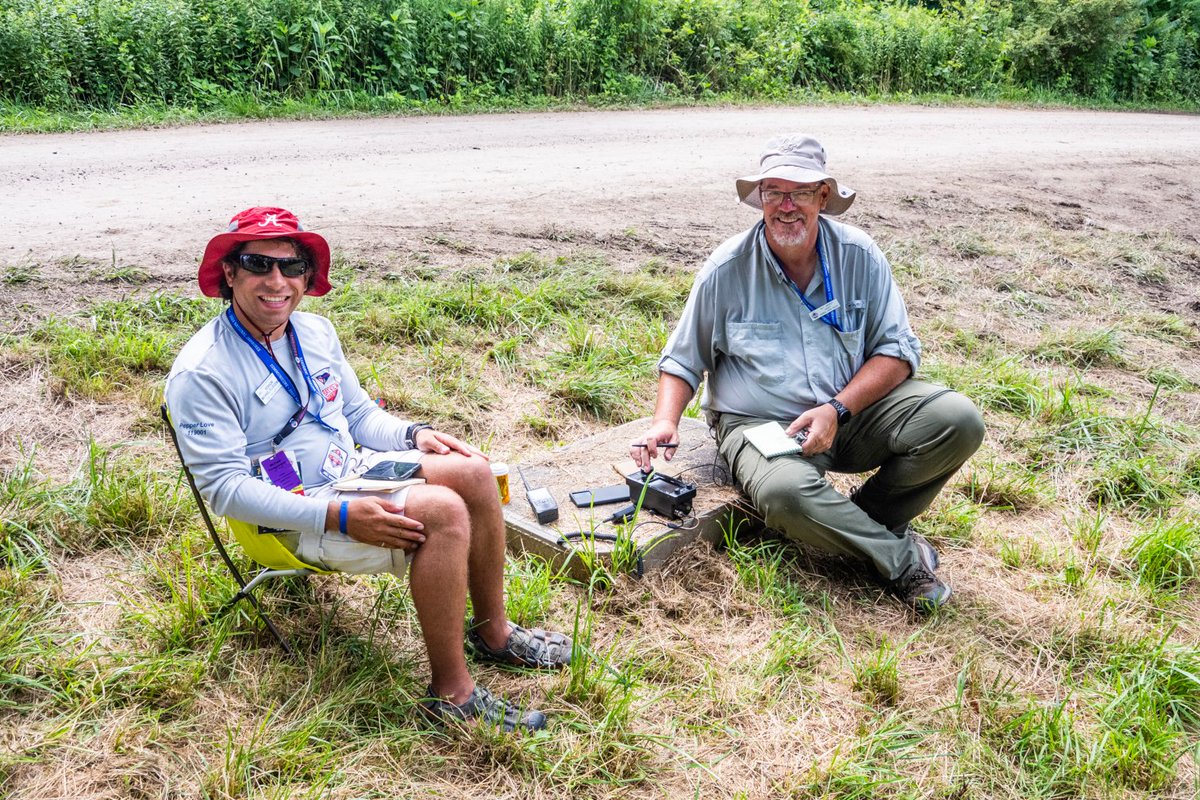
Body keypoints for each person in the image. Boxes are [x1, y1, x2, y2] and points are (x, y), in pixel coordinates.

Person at [165, 207, 570, 731]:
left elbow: (355, 414)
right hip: (294, 514)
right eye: (258, 263)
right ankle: (452, 694)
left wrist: (414, 435)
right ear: (230, 272)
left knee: (472, 470)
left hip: (349, 472)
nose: (276, 281)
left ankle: (494, 633)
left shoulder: (313, 331)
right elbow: (223, 491)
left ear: (307, 279)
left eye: (291, 268)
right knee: (444, 512)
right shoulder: (204, 371)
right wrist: (337, 516)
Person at [632, 135, 984, 613]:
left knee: (958, 419)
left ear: (823, 196)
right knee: (784, 495)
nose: (785, 206)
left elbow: (898, 353)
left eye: (799, 192)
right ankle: (899, 558)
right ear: (760, 200)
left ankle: (861, 523)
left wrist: (838, 409)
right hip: (759, 423)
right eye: (773, 192)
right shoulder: (727, 269)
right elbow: (682, 359)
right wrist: (664, 421)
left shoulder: (860, 256)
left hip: (850, 410)